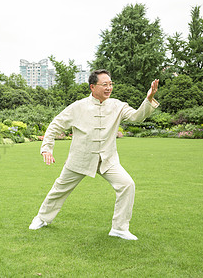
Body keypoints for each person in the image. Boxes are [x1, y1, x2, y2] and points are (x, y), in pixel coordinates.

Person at [28, 69, 159, 240]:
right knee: (60, 189)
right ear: (92, 87)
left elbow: (136, 117)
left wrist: (148, 99)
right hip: (80, 158)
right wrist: (47, 148)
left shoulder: (117, 105)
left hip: (108, 159)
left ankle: (119, 228)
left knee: (127, 184)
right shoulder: (78, 107)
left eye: (110, 84)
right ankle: (42, 218)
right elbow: (55, 125)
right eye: (104, 84)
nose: (109, 88)